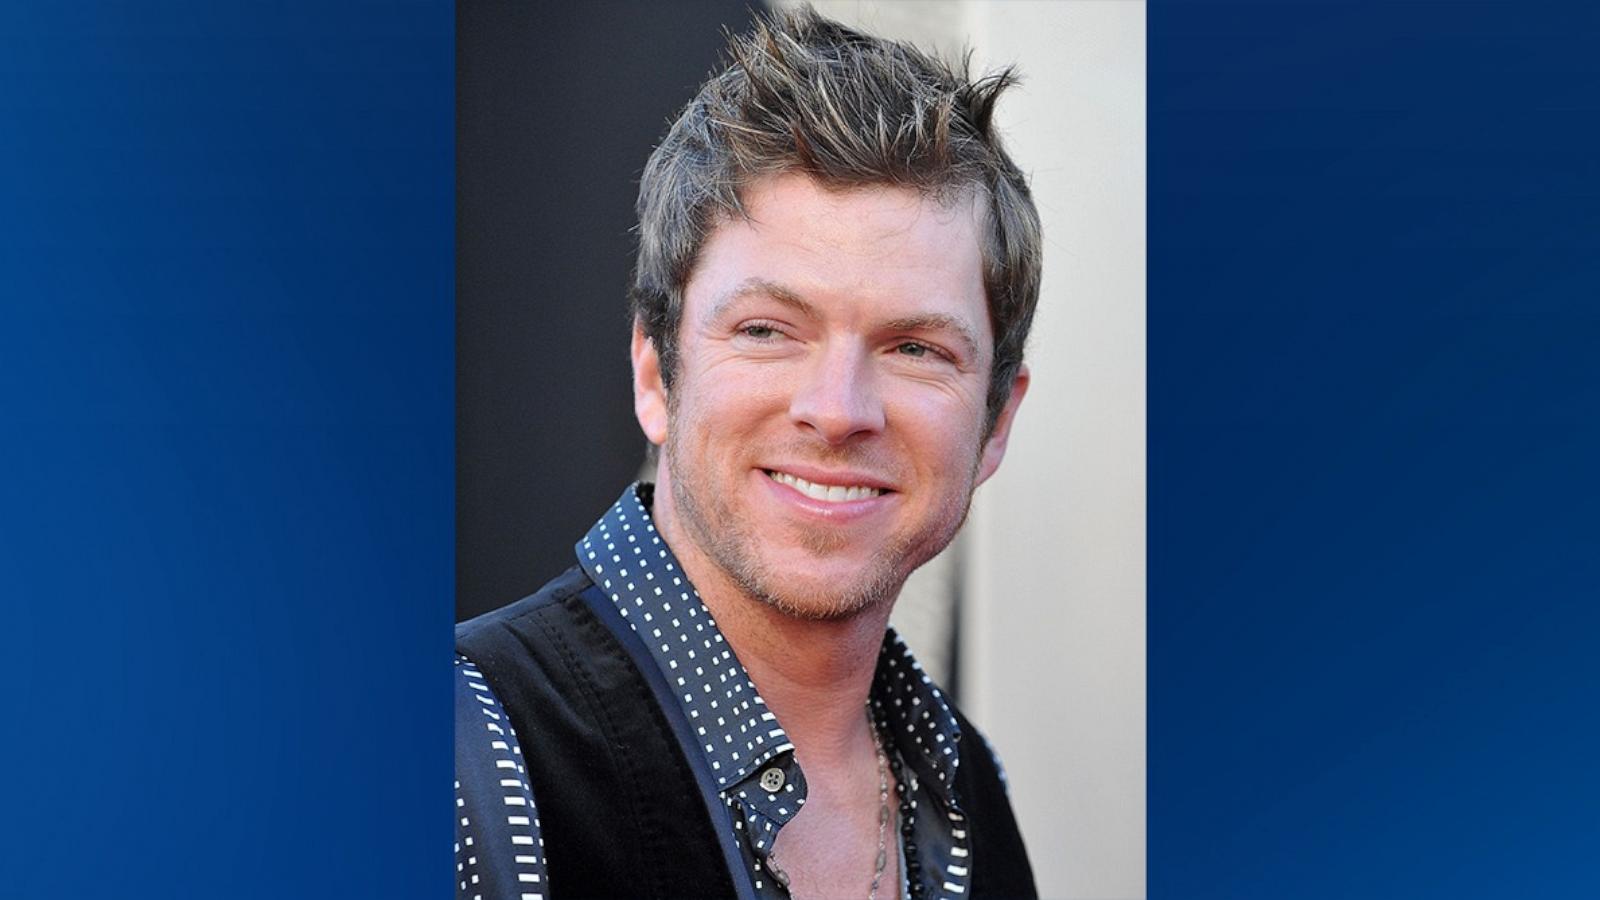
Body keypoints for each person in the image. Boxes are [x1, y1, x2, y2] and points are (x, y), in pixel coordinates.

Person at [456, 7, 1041, 898]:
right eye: (769, 330)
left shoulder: (967, 797)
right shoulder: (459, 769)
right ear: (655, 372)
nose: (838, 411)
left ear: (996, 421)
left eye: (916, 348)